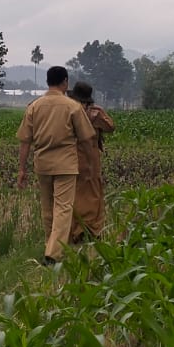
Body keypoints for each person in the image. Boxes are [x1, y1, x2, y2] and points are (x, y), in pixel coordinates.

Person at [16, 65, 96, 265]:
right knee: (63, 208)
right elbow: (86, 139)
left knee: (47, 208)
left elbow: (25, 141)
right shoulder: (73, 107)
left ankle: (50, 245)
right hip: (66, 164)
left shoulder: (34, 106)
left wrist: (22, 169)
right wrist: (92, 165)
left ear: (47, 82)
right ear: (65, 82)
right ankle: (53, 254)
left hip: (42, 164)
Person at [69, 80, 116, 241]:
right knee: (94, 192)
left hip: (72, 156)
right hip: (91, 157)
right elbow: (110, 127)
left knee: (74, 193)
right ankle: (91, 229)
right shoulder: (95, 113)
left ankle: (75, 230)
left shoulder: (69, 109)